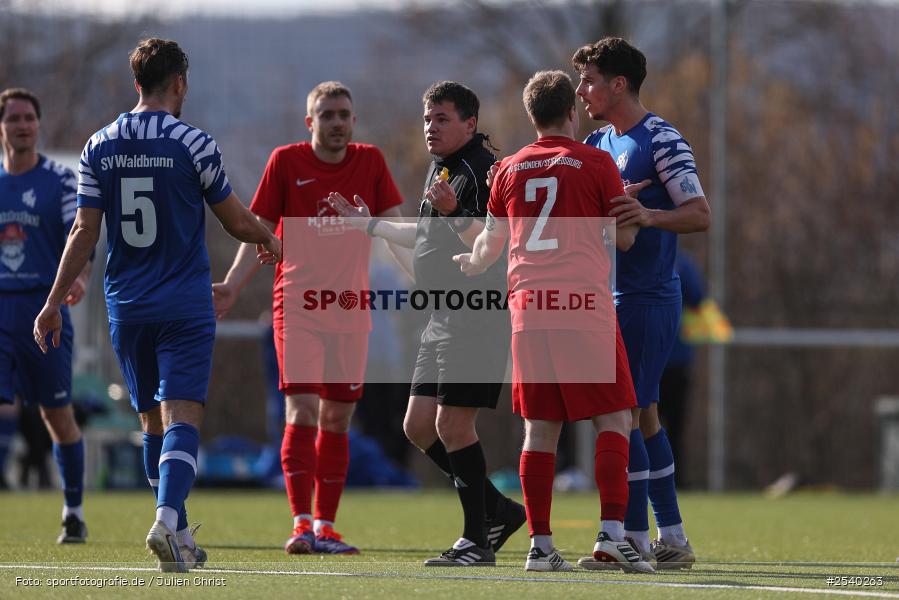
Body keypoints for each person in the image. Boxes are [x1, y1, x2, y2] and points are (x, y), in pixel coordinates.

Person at [33, 38, 281, 572]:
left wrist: (53, 301)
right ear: (180, 83)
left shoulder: (98, 145)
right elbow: (235, 220)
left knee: (150, 421)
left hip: (127, 305)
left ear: (136, 83)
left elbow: (84, 230)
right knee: (183, 414)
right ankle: (167, 519)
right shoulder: (193, 143)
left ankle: (181, 535)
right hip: (183, 302)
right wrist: (269, 238)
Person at [454, 70, 653, 574]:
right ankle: (612, 536)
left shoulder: (508, 169)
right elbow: (624, 242)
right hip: (582, 304)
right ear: (571, 112)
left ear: (530, 116)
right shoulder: (597, 162)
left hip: (528, 308)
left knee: (539, 431)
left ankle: (540, 547)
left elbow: (487, 248)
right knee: (615, 418)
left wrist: (473, 261)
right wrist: (632, 206)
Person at [329, 81, 526, 567]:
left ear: (470, 124)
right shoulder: (443, 169)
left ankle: (476, 540)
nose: (430, 128)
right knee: (418, 426)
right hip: (441, 314)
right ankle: (497, 509)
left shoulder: (486, 171)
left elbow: (497, 244)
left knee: (451, 424)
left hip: (476, 313)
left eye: (442, 119)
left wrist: (456, 213)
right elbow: (423, 232)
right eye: (427, 119)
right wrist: (369, 224)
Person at [212, 81, 404, 555]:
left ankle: (326, 527)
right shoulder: (286, 162)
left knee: (338, 420)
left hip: (350, 309)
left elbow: (400, 230)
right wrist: (233, 285)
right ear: (310, 121)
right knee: (302, 410)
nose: (336, 122)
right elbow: (255, 229)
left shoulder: (371, 163)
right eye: (327, 114)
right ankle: (299, 525)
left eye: (343, 114)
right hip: (297, 305)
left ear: (353, 121)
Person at [573, 37, 711, 569]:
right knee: (643, 415)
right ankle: (671, 537)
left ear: (618, 84)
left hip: (648, 297)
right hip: (609, 297)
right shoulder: (598, 140)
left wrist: (648, 215)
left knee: (622, 414)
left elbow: (699, 213)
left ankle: (630, 536)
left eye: (589, 80)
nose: (582, 90)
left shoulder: (661, 139)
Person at [0, 87, 91, 543]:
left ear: (38, 124)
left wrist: (79, 280)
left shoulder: (59, 179)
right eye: (14, 118)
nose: (22, 125)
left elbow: (82, 234)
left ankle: (72, 509)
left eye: (29, 118)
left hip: (45, 310)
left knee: (57, 415)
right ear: (3, 126)